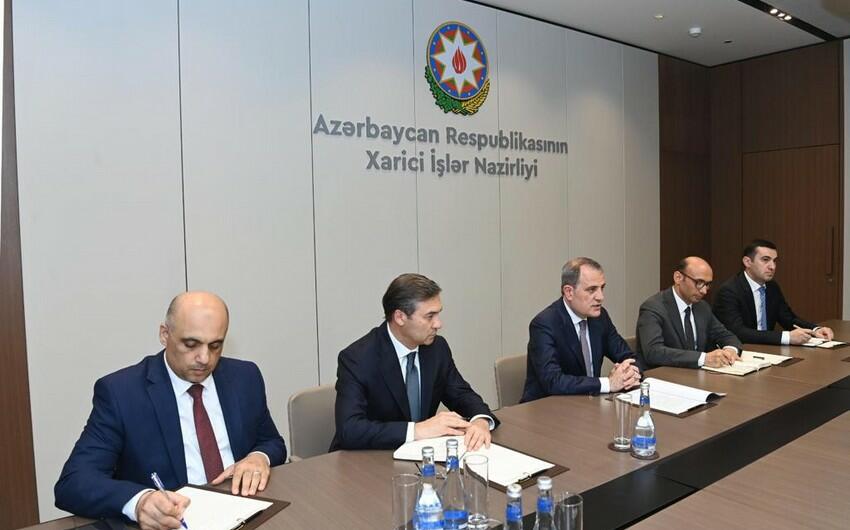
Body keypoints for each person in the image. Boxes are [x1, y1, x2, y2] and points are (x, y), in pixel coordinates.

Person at [54, 292, 286, 529]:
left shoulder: (244, 377)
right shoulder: (121, 393)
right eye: (191, 344)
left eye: (215, 346)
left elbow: (271, 441)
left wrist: (259, 457)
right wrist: (140, 502)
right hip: (174, 522)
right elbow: (73, 482)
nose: (204, 358)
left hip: (247, 513)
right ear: (164, 334)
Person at [331, 273, 498, 452]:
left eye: (438, 314)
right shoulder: (358, 358)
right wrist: (417, 430)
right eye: (430, 316)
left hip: (421, 456)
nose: (438, 324)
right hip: (367, 459)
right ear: (400, 317)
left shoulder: (437, 348)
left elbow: (461, 394)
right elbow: (350, 430)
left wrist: (480, 420)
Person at [521, 257, 640, 402]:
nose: (600, 297)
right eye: (592, 290)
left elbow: (629, 356)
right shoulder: (544, 324)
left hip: (588, 404)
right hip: (547, 408)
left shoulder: (600, 318)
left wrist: (629, 373)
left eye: (602, 288)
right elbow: (553, 381)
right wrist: (608, 383)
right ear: (569, 292)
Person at [713, 239, 834, 345]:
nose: (772, 266)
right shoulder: (729, 291)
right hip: (742, 351)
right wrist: (787, 337)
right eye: (765, 260)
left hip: (769, 349)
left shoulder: (772, 287)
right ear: (747, 262)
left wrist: (815, 330)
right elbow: (738, 332)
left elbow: (788, 319)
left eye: (774, 261)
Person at [636, 257, 742, 369]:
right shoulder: (653, 308)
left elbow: (725, 335)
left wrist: (730, 350)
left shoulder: (702, 307)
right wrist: (704, 358)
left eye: (707, 284)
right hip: (664, 374)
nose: (704, 291)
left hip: (696, 374)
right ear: (678, 278)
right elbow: (654, 352)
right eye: (699, 282)